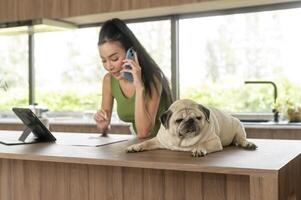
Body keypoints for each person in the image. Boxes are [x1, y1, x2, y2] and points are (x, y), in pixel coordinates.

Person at [94, 18, 173, 139]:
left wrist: (139, 87)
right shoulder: (108, 80)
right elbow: (105, 124)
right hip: (142, 147)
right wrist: (103, 125)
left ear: (131, 53)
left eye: (114, 59)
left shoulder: (154, 78)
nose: (109, 66)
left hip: (170, 145)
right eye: (104, 60)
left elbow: (144, 132)